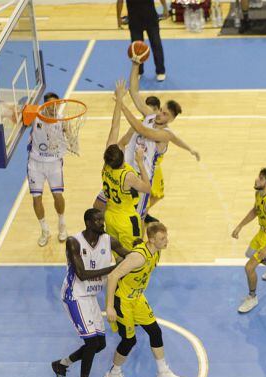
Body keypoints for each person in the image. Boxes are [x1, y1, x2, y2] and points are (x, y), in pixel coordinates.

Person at [51, 208, 130, 377]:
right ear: (87, 222)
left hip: (92, 296)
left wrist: (142, 252)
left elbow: (129, 257)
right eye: (97, 221)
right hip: (74, 295)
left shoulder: (108, 240)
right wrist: (114, 269)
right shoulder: (73, 241)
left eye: (102, 220)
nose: (101, 223)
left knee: (100, 344)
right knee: (91, 342)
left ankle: (62, 365)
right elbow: (82, 274)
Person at [104, 222, 188, 377]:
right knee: (129, 341)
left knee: (155, 331)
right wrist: (110, 306)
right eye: (162, 238)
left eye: (166, 237)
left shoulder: (156, 252)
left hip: (137, 298)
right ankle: (113, 374)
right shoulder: (138, 256)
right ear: (151, 239)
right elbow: (113, 276)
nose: (166, 241)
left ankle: (163, 374)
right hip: (123, 300)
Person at [119, 62, 200, 221]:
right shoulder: (150, 115)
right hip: (127, 170)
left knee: (138, 218)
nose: (159, 115)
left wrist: (120, 106)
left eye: (164, 114)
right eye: (161, 110)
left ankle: (138, 244)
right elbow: (134, 92)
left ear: (171, 119)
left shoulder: (164, 134)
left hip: (143, 178)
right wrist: (136, 64)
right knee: (122, 211)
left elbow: (143, 131)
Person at [94, 80, 152, 250]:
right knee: (131, 253)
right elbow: (147, 188)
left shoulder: (106, 166)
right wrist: (140, 163)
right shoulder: (128, 176)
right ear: (123, 157)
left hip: (110, 215)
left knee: (116, 252)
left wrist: (119, 100)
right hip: (126, 219)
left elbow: (115, 125)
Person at [231, 167, 266, 313]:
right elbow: (255, 210)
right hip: (263, 233)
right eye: (258, 176)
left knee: (249, 267)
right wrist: (240, 226)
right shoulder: (259, 193)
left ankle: (252, 297)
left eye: (261, 178)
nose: (257, 179)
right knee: (250, 253)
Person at [27, 92, 68, 247]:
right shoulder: (35, 117)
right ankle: (44, 230)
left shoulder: (62, 119)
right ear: (44, 106)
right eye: (50, 105)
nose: (54, 108)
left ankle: (62, 224)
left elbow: (69, 134)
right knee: (36, 198)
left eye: (56, 104)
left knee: (57, 195)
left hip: (54, 163)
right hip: (35, 163)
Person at [116, 0, 168, 81]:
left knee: (156, 44)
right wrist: (118, 18)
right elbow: (120, 1)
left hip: (151, 18)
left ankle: (160, 71)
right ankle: (139, 71)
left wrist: (165, 8)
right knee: (136, 49)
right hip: (134, 20)